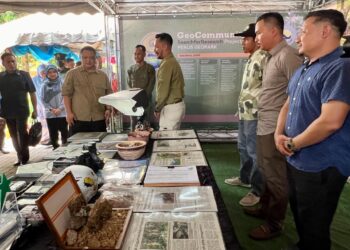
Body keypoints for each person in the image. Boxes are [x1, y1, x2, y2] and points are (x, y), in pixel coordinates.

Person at [275, 9, 349, 250]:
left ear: (325, 31)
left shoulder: (340, 68)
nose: (298, 38)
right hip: (297, 160)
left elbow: (331, 121)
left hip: (322, 165)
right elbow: (287, 104)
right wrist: (279, 134)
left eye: (303, 31)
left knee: (316, 226)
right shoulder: (304, 68)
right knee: (302, 217)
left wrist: (292, 143)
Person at [244, 12, 303, 240]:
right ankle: (265, 209)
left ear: (274, 31)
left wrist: (285, 129)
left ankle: (275, 223)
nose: (256, 36)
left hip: (275, 128)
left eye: (259, 32)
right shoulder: (270, 56)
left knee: (276, 176)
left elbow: (298, 94)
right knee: (267, 171)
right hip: (264, 124)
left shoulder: (288, 56)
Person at [224, 23, 267, 207]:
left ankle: (257, 191)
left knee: (254, 152)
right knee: (243, 147)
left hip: (255, 114)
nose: (243, 42)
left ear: (256, 40)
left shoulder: (264, 58)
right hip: (244, 112)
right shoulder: (251, 58)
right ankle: (245, 178)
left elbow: (269, 88)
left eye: (246, 39)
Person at [62, 46, 112, 135]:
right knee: (78, 147)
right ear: (81, 58)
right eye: (85, 58)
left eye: (91, 58)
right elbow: (66, 94)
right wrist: (69, 113)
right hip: (78, 119)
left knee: (98, 146)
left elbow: (108, 94)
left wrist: (108, 109)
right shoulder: (72, 74)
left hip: (99, 119)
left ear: (95, 58)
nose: (88, 60)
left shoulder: (102, 75)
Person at [0, 52, 37, 166]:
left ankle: (24, 158)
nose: (11, 64)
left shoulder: (24, 75)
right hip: (7, 111)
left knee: (22, 133)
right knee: (13, 135)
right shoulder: (0, 77)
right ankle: (19, 156)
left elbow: (32, 93)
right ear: (3, 64)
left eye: (13, 61)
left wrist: (35, 109)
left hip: (22, 110)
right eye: (8, 62)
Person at [153, 33, 185, 130]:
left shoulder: (167, 64)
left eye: (156, 47)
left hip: (171, 109)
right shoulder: (171, 61)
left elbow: (163, 90)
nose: (154, 50)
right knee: (171, 140)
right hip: (175, 107)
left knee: (166, 141)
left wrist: (157, 108)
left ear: (165, 46)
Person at [40, 65, 68, 149]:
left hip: (62, 113)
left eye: (54, 72)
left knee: (65, 133)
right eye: (50, 72)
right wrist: (51, 109)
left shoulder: (63, 83)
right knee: (53, 134)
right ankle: (56, 150)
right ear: (47, 74)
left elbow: (66, 97)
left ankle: (65, 150)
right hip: (50, 114)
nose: (52, 74)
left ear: (57, 72)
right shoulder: (44, 85)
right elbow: (43, 99)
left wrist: (60, 108)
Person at [127, 44, 156, 124]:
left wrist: (143, 99)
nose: (136, 56)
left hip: (145, 101)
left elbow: (151, 86)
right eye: (135, 54)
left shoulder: (149, 69)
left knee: (145, 124)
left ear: (144, 54)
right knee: (133, 123)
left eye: (139, 54)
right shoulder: (131, 69)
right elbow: (129, 85)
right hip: (133, 101)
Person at [32, 64, 51, 145]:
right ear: (38, 72)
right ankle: (44, 138)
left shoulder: (50, 79)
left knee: (50, 121)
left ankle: (51, 138)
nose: (43, 74)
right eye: (42, 72)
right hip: (39, 104)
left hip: (49, 104)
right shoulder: (34, 80)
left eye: (45, 72)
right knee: (43, 122)